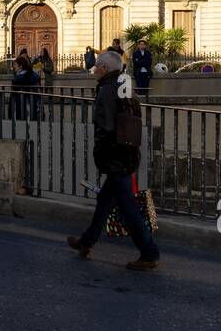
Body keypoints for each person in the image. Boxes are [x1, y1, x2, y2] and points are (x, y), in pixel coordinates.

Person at [68, 49, 160, 271]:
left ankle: (149, 253)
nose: (95, 70)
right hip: (128, 152)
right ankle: (87, 241)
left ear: (104, 69)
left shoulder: (107, 90)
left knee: (127, 207)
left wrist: (102, 154)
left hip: (115, 155)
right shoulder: (126, 85)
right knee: (105, 201)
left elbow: (105, 126)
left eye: (97, 66)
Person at [9, 54, 41, 120]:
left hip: (20, 112)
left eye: (15, 65)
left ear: (20, 66)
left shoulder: (18, 79)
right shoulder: (33, 76)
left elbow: (14, 98)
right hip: (33, 112)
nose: (13, 67)